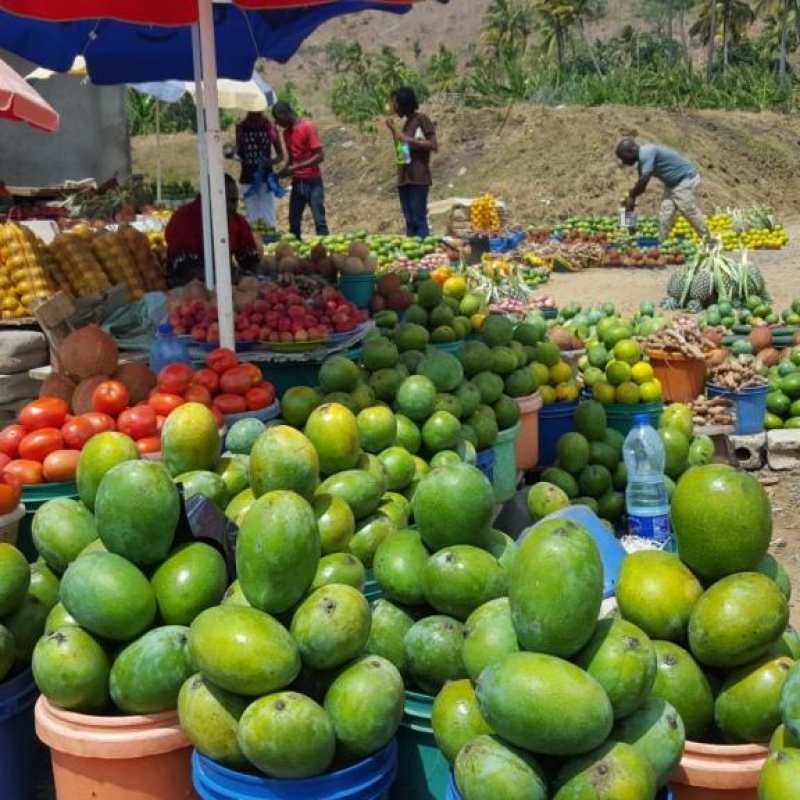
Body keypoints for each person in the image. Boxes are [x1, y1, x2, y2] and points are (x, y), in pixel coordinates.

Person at [164, 174, 260, 287]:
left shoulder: (238, 222)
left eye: (233, 201)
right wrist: (231, 278)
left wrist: (260, 274)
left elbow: (251, 261)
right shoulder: (183, 219)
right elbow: (186, 268)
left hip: (227, 286)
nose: (229, 206)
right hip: (185, 290)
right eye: (222, 200)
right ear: (205, 198)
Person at [616, 138, 710, 243]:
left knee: (687, 209)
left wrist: (632, 194)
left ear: (631, 151)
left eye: (624, 158)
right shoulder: (642, 164)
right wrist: (629, 223)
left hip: (685, 178)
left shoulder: (647, 152)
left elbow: (643, 182)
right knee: (665, 213)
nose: (624, 162)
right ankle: (661, 243)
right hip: (672, 184)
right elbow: (640, 189)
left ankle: (709, 241)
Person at [272, 101, 329, 239]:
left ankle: (326, 254)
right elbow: (292, 157)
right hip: (297, 183)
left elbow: (320, 156)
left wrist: (295, 167)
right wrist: (282, 173)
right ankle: (294, 256)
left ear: (285, 114)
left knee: (319, 221)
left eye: (278, 120)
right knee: (294, 223)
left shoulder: (307, 127)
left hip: (313, 182)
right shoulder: (287, 133)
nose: (277, 124)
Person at [385, 86, 438, 237]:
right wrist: (394, 131)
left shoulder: (422, 119)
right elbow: (402, 152)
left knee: (418, 219)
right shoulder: (406, 124)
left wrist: (407, 139)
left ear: (404, 103)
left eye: (395, 103)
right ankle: (412, 255)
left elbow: (433, 145)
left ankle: (424, 253)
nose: (394, 108)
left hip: (418, 178)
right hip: (405, 179)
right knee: (409, 220)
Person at [235, 110, 285, 232]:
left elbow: (281, 155)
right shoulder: (241, 128)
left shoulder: (269, 128)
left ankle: (270, 243)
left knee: (268, 215)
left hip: (265, 179)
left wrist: (270, 162)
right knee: (252, 217)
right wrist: (232, 154)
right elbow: (239, 152)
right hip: (247, 179)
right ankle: (256, 245)